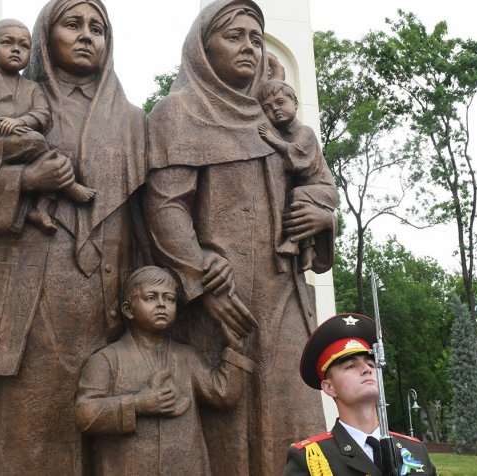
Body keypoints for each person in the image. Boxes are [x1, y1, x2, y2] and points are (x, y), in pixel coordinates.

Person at [0, 0, 147, 473]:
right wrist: (26, 181)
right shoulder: (12, 101)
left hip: (115, 316)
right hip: (29, 313)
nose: (87, 35)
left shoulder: (134, 120)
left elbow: (153, 219)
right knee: (26, 451)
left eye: (98, 28)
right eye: (73, 24)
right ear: (46, 37)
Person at [143, 1, 338, 474]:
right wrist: (200, 277)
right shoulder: (177, 113)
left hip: (282, 296)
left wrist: (321, 217)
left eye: (256, 37)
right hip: (218, 298)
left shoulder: (275, 117)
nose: (249, 46)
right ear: (202, 47)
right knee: (222, 429)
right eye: (235, 36)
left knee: (295, 415)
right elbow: (165, 206)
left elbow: (318, 185)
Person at [75, 266, 255, 475]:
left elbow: (223, 394)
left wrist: (235, 352)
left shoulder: (188, 357)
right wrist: (139, 404)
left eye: (169, 299)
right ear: (128, 309)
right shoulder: (106, 360)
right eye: (151, 297)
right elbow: (84, 414)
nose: (162, 304)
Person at [0, 18, 96, 236]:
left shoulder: (32, 88)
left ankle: (40, 209)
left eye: (24, 46)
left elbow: (42, 114)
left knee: (57, 161)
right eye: (7, 43)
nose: (16, 50)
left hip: (23, 140)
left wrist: (19, 122)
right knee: (37, 142)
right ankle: (68, 186)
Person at [283, 314, 438, 476]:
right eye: (350, 366)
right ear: (329, 387)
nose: (367, 369)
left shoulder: (415, 450)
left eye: (371, 364)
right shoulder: (310, 458)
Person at [256, 79, 335, 270]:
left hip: (323, 189)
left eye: (281, 102)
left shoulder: (304, 131)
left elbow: (298, 155)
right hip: (307, 191)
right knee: (298, 203)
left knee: (297, 195)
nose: (274, 110)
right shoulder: (283, 134)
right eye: (267, 108)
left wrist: (271, 139)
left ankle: (292, 241)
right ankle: (308, 252)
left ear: (296, 103)